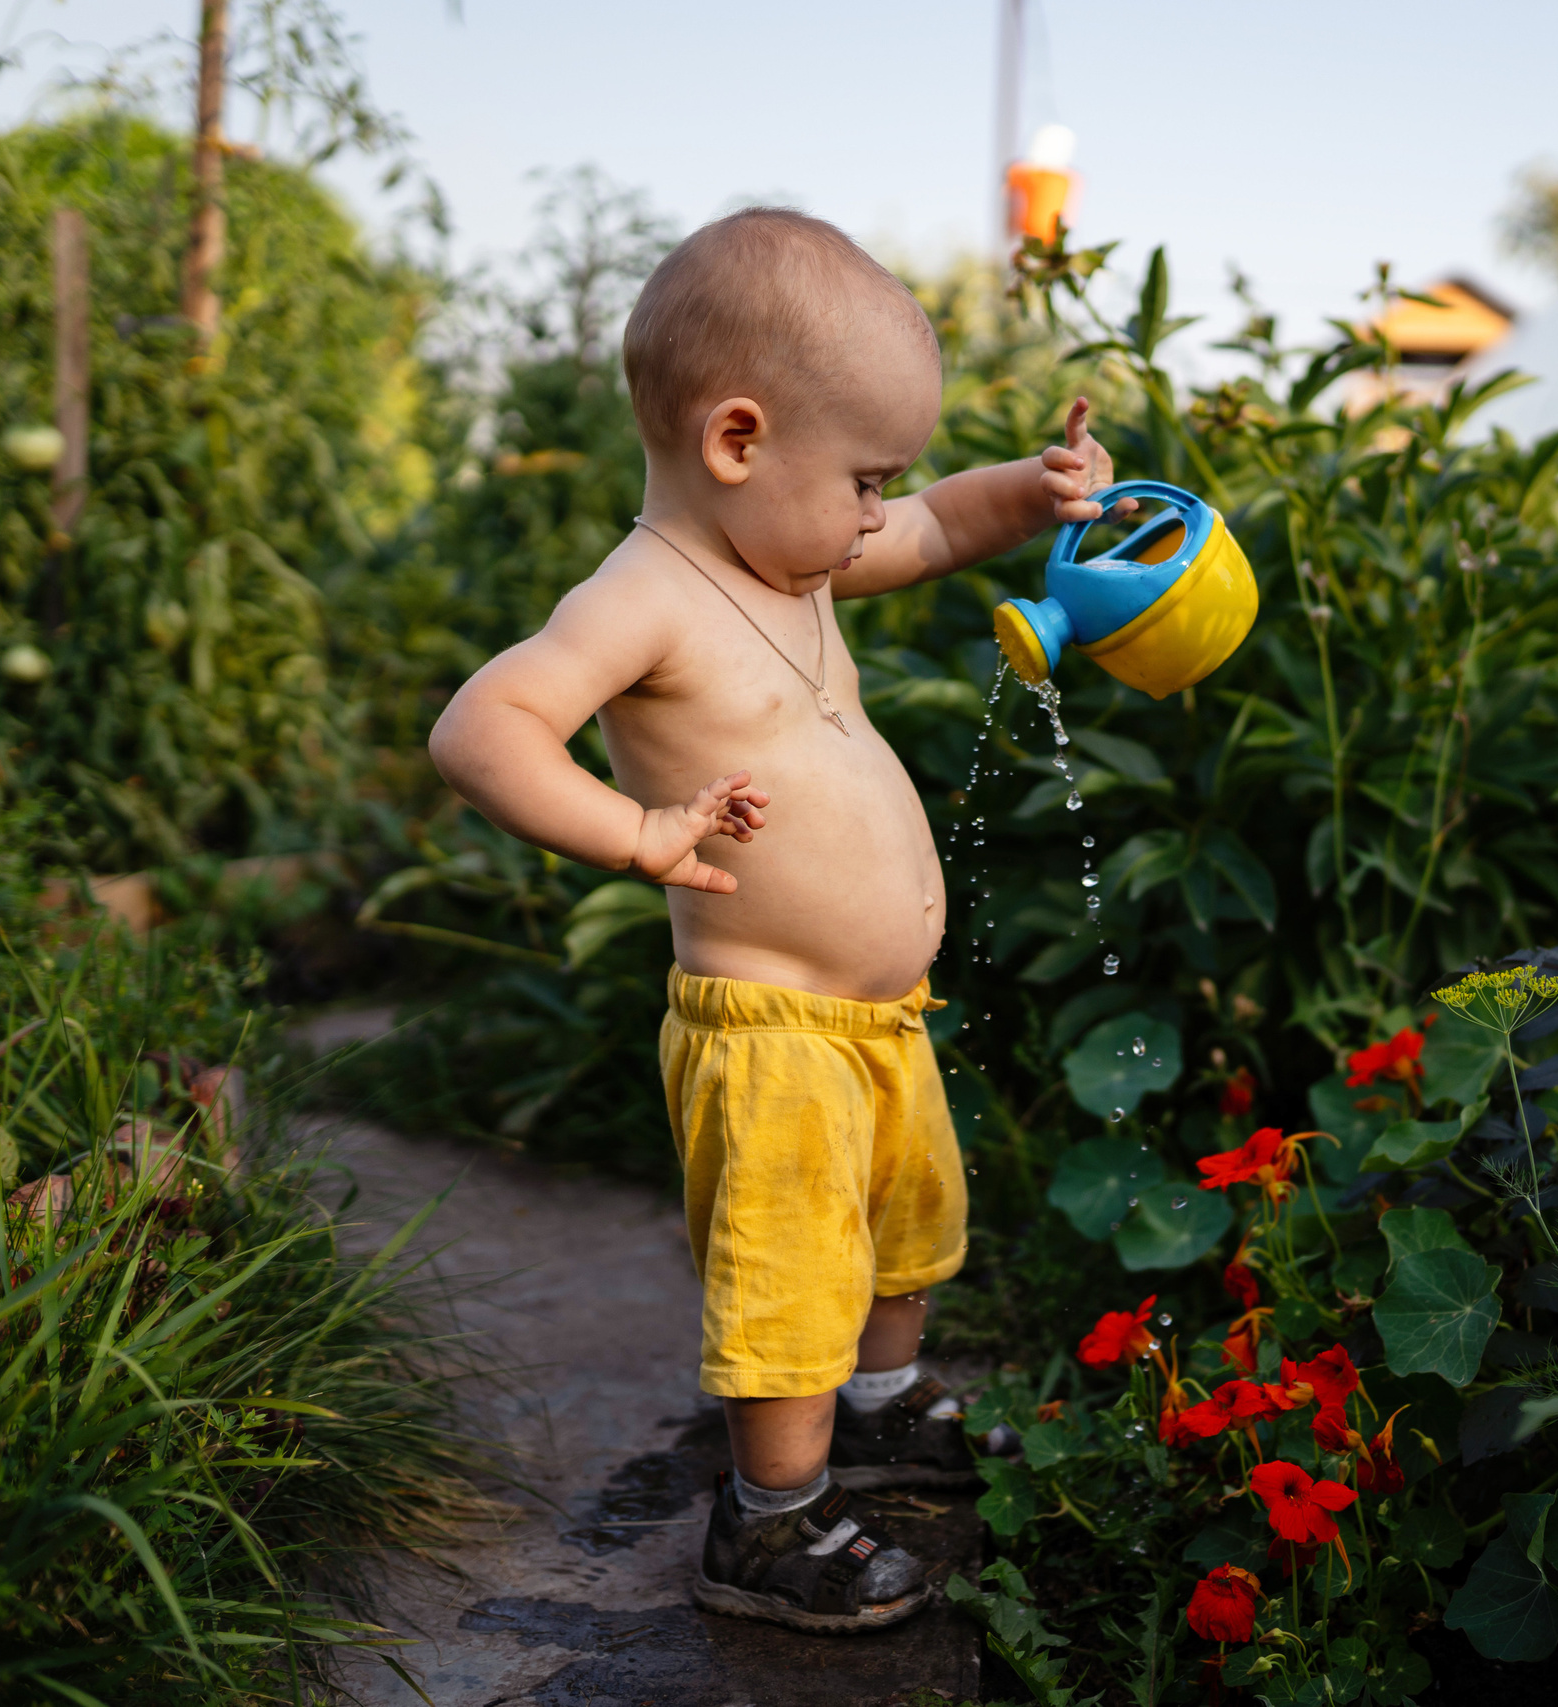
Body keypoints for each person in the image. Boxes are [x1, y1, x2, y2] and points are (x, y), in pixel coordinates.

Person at [429, 207, 1128, 1634]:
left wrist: (1037, 490)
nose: (883, 510)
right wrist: (637, 834)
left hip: (874, 1021)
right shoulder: (644, 602)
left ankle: (877, 1406)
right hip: (771, 1037)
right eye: (866, 477)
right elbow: (481, 727)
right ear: (735, 442)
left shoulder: (792, 559)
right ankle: (767, 1521)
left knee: (898, 1226)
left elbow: (940, 531)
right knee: (794, 1273)